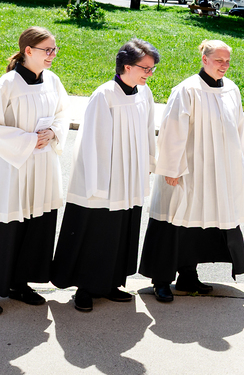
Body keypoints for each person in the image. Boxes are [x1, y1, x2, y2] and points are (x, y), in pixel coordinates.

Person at [0, 27, 70, 315]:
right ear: (28, 51)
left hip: (42, 166)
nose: (52, 54)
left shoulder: (52, 81)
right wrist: (27, 140)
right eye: (47, 49)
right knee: (4, 227)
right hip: (11, 167)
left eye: (54, 49)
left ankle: (18, 283)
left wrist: (54, 132)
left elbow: (63, 113)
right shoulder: (8, 84)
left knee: (35, 226)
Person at [51, 39, 160, 312]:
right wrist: (98, 182)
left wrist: (148, 163)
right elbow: (93, 142)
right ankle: (85, 288)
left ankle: (111, 283)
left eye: (152, 69)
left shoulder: (144, 93)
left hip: (130, 177)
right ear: (127, 66)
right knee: (97, 232)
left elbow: (149, 130)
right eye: (145, 68)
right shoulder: (105, 95)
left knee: (122, 230)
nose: (149, 73)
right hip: (105, 179)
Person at [139, 39, 244, 302]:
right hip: (187, 170)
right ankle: (161, 280)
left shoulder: (231, 90)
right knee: (175, 221)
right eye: (219, 60)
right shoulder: (187, 90)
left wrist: (240, 164)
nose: (224, 65)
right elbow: (172, 132)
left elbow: (239, 129)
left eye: (227, 61)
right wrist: (171, 168)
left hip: (216, 172)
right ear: (204, 59)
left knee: (198, 224)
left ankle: (188, 276)